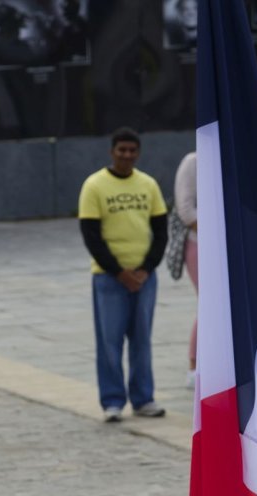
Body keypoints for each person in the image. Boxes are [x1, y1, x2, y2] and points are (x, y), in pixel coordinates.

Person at [78, 127, 168, 422]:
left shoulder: (149, 185)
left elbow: (160, 232)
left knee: (142, 339)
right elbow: (91, 236)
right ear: (112, 152)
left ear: (138, 153)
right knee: (109, 341)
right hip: (109, 278)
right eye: (121, 150)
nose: (126, 156)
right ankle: (113, 401)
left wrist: (144, 269)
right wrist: (119, 272)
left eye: (132, 151)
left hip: (144, 277)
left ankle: (144, 398)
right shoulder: (94, 186)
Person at [173, 150, 198, 388]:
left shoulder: (234, 160)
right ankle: (194, 364)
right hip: (199, 244)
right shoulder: (193, 162)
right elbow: (186, 211)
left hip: (227, 247)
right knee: (209, 304)